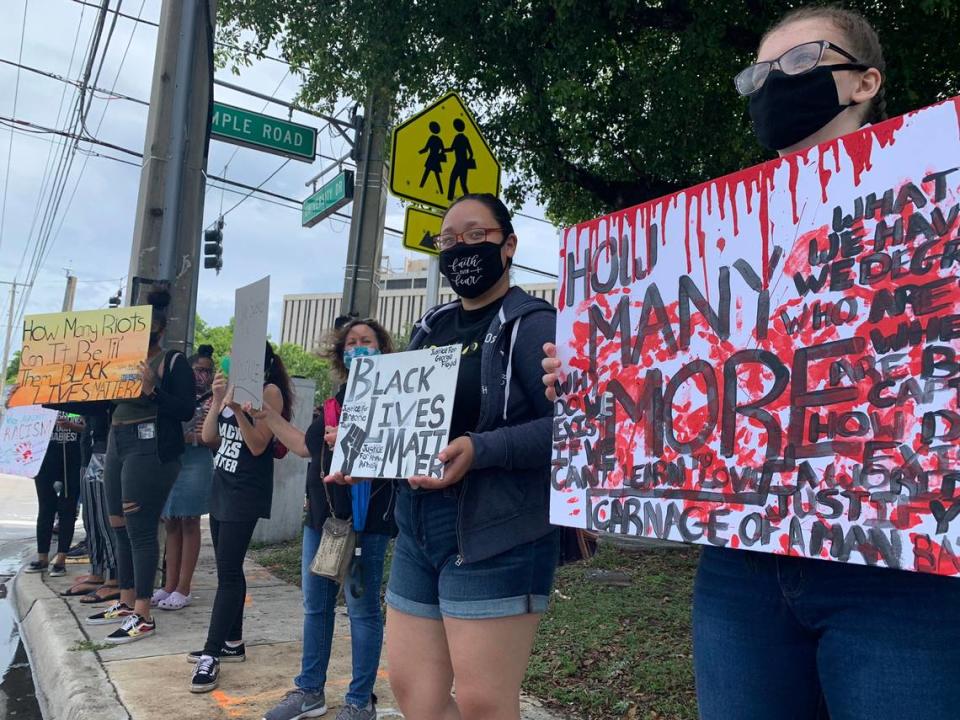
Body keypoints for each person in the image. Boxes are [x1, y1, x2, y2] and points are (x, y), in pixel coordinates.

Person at [542, 7, 960, 719]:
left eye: (798, 64)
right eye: (758, 74)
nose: (773, 84)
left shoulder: (940, 184)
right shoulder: (702, 245)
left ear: (864, 81)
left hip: (902, 569)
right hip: (742, 566)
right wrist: (594, 377)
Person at [328, 193, 559, 720]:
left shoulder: (534, 323)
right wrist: (363, 449)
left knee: (483, 704)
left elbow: (568, 429)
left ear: (509, 244)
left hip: (496, 534)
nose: (460, 249)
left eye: (476, 235)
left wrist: (480, 448)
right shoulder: (432, 325)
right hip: (418, 529)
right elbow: (405, 414)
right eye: (449, 240)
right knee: (417, 696)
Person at [257, 319, 397, 720]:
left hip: (366, 521)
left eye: (366, 341)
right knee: (315, 606)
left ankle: (358, 701)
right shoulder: (335, 401)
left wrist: (352, 437)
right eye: (351, 343)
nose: (358, 348)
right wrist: (266, 414)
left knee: (362, 610)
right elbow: (304, 445)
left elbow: (399, 451)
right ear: (341, 354)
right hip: (324, 521)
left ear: (382, 350)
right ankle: (309, 690)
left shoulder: (395, 398)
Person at [85, 288, 196, 643]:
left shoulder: (173, 361)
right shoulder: (119, 362)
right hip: (118, 442)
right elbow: (96, 404)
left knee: (140, 527)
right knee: (117, 522)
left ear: (158, 329)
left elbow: (185, 409)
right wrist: (47, 399)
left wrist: (152, 391)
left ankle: (143, 614)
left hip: (149, 448)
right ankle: (126, 600)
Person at [189, 342, 294, 693]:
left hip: (245, 491)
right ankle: (232, 642)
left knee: (229, 574)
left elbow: (258, 445)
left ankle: (211, 652)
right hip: (222, 484)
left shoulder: (270, 393)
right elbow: (208, 438)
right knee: (227, 568)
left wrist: (238, 408)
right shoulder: (230, 391)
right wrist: (220, 400)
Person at [153, 344, 216, 611]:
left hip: (198, 461)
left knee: (190, 521)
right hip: (174, 459)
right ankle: (169, 584)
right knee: (171, 521)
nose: (202, 375)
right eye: (197, 369)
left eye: (207, 371)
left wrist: (196, 437)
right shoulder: (177, 393)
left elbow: (211, 438)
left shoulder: (215, 398)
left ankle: (184, 587)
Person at [25, 412, 84, 578]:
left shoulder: (82, 398)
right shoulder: (42, 399)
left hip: (73, 460)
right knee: (45, 508)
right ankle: (42, 557)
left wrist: (73, 426)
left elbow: (92, 428)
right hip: (44, 459)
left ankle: (61, 560)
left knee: (68, 507)